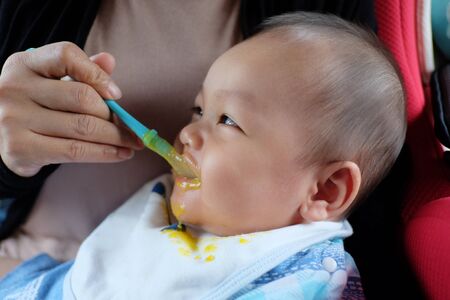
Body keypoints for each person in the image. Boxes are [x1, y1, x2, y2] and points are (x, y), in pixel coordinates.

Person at [0, 12, 404, 299]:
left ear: (326, 191)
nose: (189, 133)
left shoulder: (304, 282)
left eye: (227, 120)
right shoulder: (191, 212)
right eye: (198, 110)